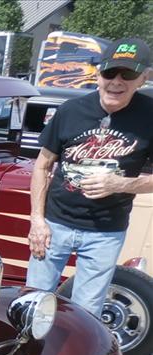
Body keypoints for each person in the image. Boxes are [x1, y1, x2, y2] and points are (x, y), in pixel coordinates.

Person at [28, 37, 153, 320]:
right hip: (54, 224)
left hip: (105, 232)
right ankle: (31, 350)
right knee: (33, 304)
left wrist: (121, 184)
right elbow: (43, 166)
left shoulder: (150, 116)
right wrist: (37, 220)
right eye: (110, 73)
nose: (116, 81)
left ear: (143, 78)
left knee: (86, 314)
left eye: (128, 74)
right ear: (98, 74)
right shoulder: (70, 111)